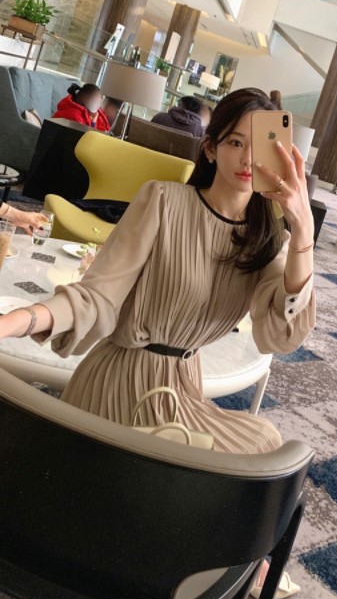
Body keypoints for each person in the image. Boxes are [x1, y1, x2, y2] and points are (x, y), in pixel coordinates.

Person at [0, 87, 315, 452]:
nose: (248, 159)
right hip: (121, 383)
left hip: (184, 388)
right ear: (210, 149)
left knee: (266, 444)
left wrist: (303, 231)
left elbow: (280, 335)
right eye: (235, 143)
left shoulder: (268, 241)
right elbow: (96, 297)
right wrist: (12, 323)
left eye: (259, 147)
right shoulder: (163, 201)